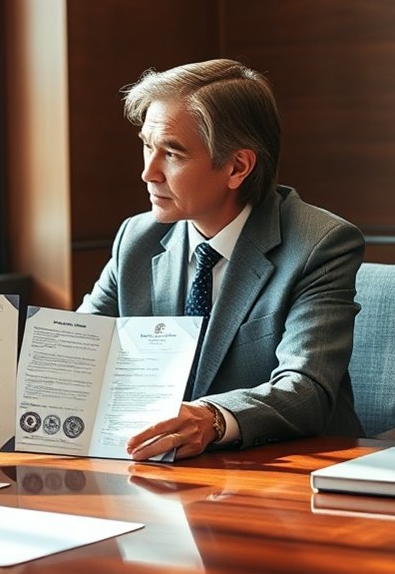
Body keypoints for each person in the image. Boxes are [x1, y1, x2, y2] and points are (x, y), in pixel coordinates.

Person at [78, 59, 365, 460]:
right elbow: (77, 349)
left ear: (237, 167)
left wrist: (211, 418)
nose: (148, 172)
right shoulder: (138, 239)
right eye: (147, 145)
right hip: (161, 472)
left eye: (173, 154)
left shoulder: (320, 244)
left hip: (290, 474)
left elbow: (306, 389)